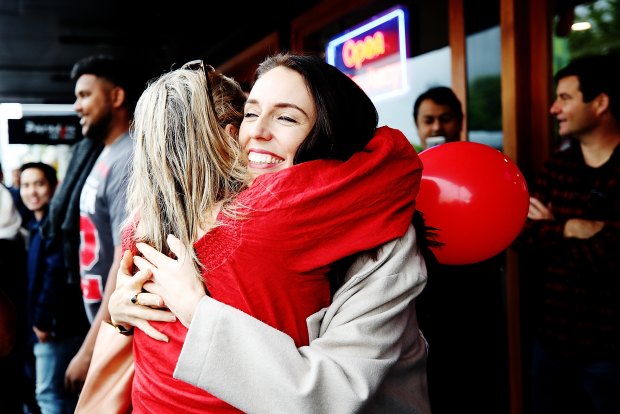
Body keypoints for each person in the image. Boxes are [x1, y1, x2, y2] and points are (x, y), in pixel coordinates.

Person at [109, 54, 430, 413]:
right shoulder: (218, 212)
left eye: (286, 117)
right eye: (251, 113)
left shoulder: (385, 246)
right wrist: (122, 312)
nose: (256, 132)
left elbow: (333, 393)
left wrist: (196, 309)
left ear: (329, 134)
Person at [516, 54, 620, 414]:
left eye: (565, 97)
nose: (553, 108)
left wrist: (550, 230)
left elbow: (612, 256)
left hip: (611, 352)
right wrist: (571, 229)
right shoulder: (555, 167)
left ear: (600, 103)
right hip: (552, 342)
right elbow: (523, 237)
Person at [42, 54, 139, 395]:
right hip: (98, 325)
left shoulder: (128, 158)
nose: (76, 106)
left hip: (115, 333)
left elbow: (123, 259)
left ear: (116, 97)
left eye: (85, 95)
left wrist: (89, 351)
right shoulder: (103, 153)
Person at [413, 86, 509, 412]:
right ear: (418, 126)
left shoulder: (488, 170)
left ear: (460, 122)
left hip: (478, 302)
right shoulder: (408, 177)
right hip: (426, 309)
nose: (437, 127)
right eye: (429, 120)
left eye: (445, 119)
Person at [20, 162, 87, 414]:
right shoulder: (37, 225)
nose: (32, 192)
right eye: (26, 185)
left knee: (50, 396)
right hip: (45, 327)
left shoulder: (56, 226)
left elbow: (56, 273)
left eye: (39, 184)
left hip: (56, 328)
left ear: (53, 186)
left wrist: (43, 319)